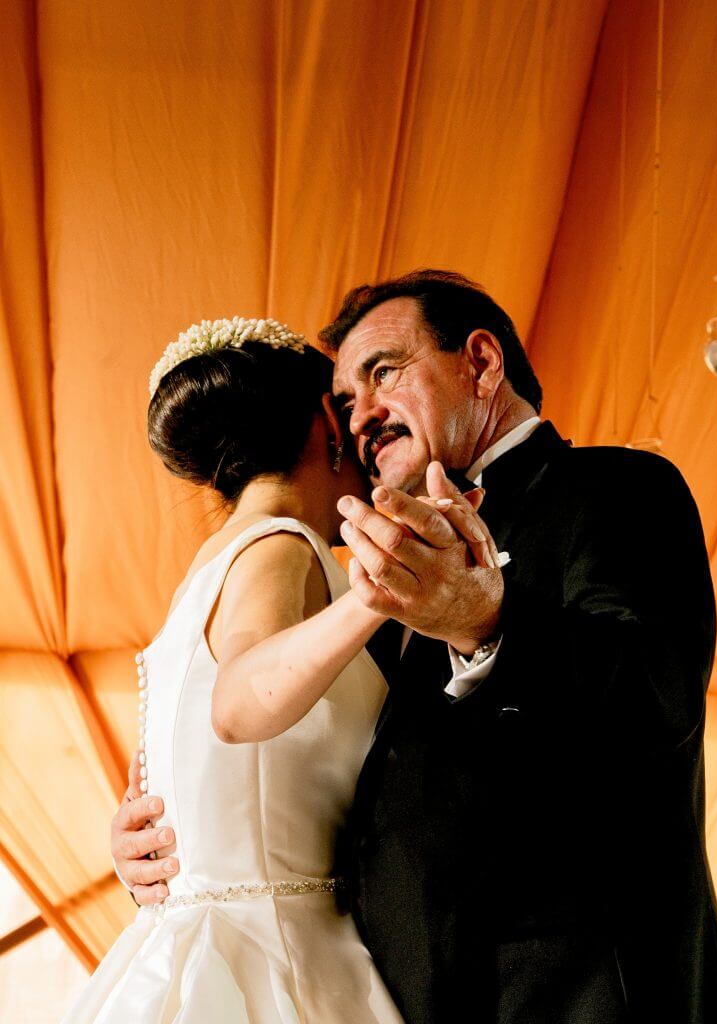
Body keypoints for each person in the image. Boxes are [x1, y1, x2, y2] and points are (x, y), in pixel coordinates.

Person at [113, 270, 717, 1023]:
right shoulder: (375, 570)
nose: (360, 417)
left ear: (480, 362)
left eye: (383, 373)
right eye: (342, 401)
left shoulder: (613, 489)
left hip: (583, 1000)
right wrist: (171, 840)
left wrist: (487, 623)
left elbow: (655, 698)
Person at [70, 317, 497, 1024]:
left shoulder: (203, 572)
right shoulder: (282, 545)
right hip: (275, 952)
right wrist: (377, 593)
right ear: (328, 424)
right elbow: (237, 704)